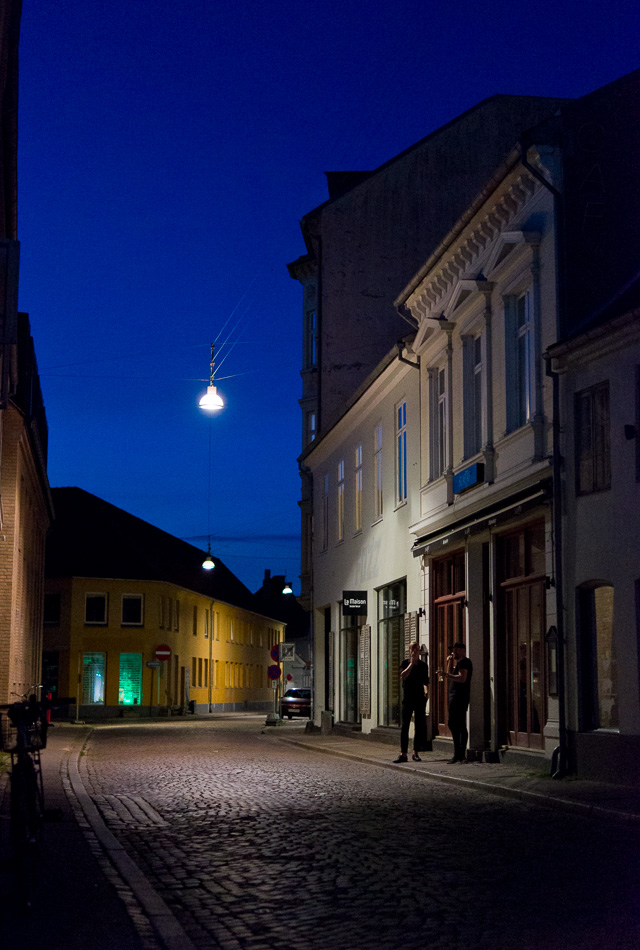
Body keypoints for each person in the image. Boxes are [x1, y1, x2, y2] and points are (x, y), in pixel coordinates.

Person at [393, 641, 429, 763]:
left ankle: (416, 752)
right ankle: (403, 753)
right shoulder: (404, 663)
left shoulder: (424, 666)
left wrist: (426, 692)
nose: (415, 651)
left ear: (419, 650)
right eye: (413, 649)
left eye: (417, 648)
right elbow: (403, 676)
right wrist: (411, 665)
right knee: (405, 726)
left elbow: (426, 681)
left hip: (419, 698)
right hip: (408, 698)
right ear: (409, 651)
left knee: (419, 725)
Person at [444, 641, 473, 763]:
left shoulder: (463, 662)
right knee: (456, 724)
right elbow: (452, 674)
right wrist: (449, 663)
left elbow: (462, 678)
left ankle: (459, 753)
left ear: (461, 650)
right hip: (456, 697)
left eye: (455, 650)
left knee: (457, 724)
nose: (453, 652)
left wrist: (447, 676)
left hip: (459, 697)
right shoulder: (459, 663)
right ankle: (459, 753)